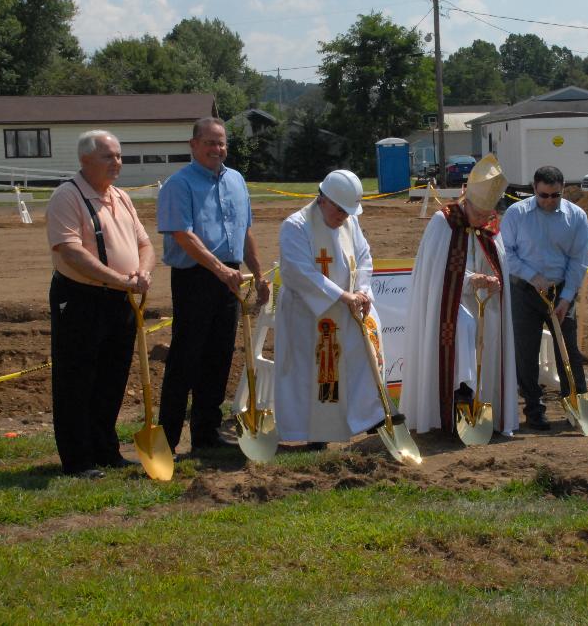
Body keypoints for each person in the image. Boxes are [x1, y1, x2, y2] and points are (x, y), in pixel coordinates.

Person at [156, 117, 270, 453]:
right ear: (193, 145)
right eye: (209, 142)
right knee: (185, 359)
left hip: (230, 278)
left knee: (219, 357)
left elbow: (244, 232)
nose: (216, 149)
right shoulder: (179, 185)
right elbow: (182, 234)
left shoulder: (236, 180)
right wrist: (219, 269)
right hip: (195, 277)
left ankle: (206, 434)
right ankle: (168, 440)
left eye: (221, 143)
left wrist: (259, 274)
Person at [46, 130, 155, 478]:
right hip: (80, 298)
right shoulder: (68, 196)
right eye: (108, 156)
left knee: (112, 377)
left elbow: (145, 245)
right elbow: (70, 251)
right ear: (85, 160)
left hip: (120, 299)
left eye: (119, 156)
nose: (117, 163)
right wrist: (116, 278)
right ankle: (78, 461)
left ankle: (106, 451)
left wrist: (142, 274)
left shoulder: (121, 197)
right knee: (77, 379)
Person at [273, 169, 392, 448]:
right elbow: (300, 273)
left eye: (348, 212)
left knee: (367, 349)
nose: (344, 217)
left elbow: (364, 256)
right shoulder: (296, 226)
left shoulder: (350, 224)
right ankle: (313, 432)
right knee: (314, 370)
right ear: (323, 199)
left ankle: (368, 416)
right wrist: (341, 296)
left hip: (347, 308)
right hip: (308, 313)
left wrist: (362, 290)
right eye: (339, 210)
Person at [401, 154, 519, 436]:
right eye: (478, 214)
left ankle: (482, 402)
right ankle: (458, 397)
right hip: (448, 305)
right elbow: (436, 273)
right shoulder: (444, 223)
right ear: (467, 202)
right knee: (463, 329)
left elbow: (499, 262)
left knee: (487, 337)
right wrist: (471, 280)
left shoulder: (489, 227)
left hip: (485, 303)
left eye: (486, 215)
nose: (482, 220)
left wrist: (494, 281)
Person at [500, 165, 588, 431]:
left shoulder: (577, 217)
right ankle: (534, 410)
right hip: (524, 292)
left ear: (563, 190)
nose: (549, 201)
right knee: (526, 353)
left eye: (555, 195)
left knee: (569, 352)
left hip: (560, 294)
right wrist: (532, 276)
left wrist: (566, 298)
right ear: (534, 189)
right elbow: (507, 252)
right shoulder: (517, 214)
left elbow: (578, 259)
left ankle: (576, 403)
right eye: (543, 195)